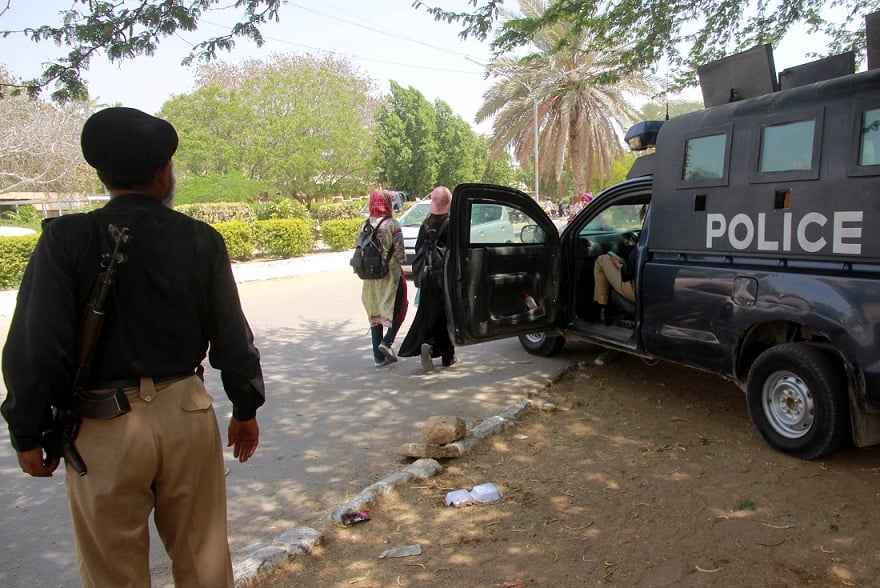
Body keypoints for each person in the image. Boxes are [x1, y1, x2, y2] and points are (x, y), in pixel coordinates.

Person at [1, 107, 266, 588]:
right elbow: (232, 336)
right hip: (187, 413)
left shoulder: (66, 239)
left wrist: (28, 429)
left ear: (101, 175)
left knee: (112, 573)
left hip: (102, 426)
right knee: (204, 563)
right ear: (164, 173)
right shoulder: (201, 240)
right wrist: (245, 407)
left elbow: (38, 345)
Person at [399, 186, 455, 372]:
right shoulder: (451, 224)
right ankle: (445, 355)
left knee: (429, 315)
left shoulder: (426, 224)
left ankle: (427, 343)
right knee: (446, 316)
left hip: (427, 279)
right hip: (445, 279)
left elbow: (418, 250)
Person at [361, 190, 408, 367]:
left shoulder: (364, 225)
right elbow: (401, 255)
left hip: (370, 279)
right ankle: (387, 342)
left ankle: (378, 358)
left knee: (375, 315)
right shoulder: (392, 224)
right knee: (400, 307)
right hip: (390, 276)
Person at [593, 242, 638, 325]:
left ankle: (602, 307)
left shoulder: (647, 239)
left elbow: (628, 273)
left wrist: (618, 265)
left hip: (638, 289)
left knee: (601, 259)